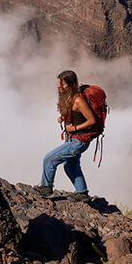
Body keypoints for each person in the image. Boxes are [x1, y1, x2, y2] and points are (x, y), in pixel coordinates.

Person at [35, 70, 96, 202]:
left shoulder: (78, 100)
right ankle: (82, 193)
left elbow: (92, 120)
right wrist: (63, 117)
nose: (59, 87)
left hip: (78, 141)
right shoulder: (70, 97)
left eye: (62, 84)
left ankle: (45, 188)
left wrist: (73, 128)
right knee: (70, 166)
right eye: (58, 84)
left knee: (49, 159)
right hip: (73, 139)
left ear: (71, 84)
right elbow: (75, 114)